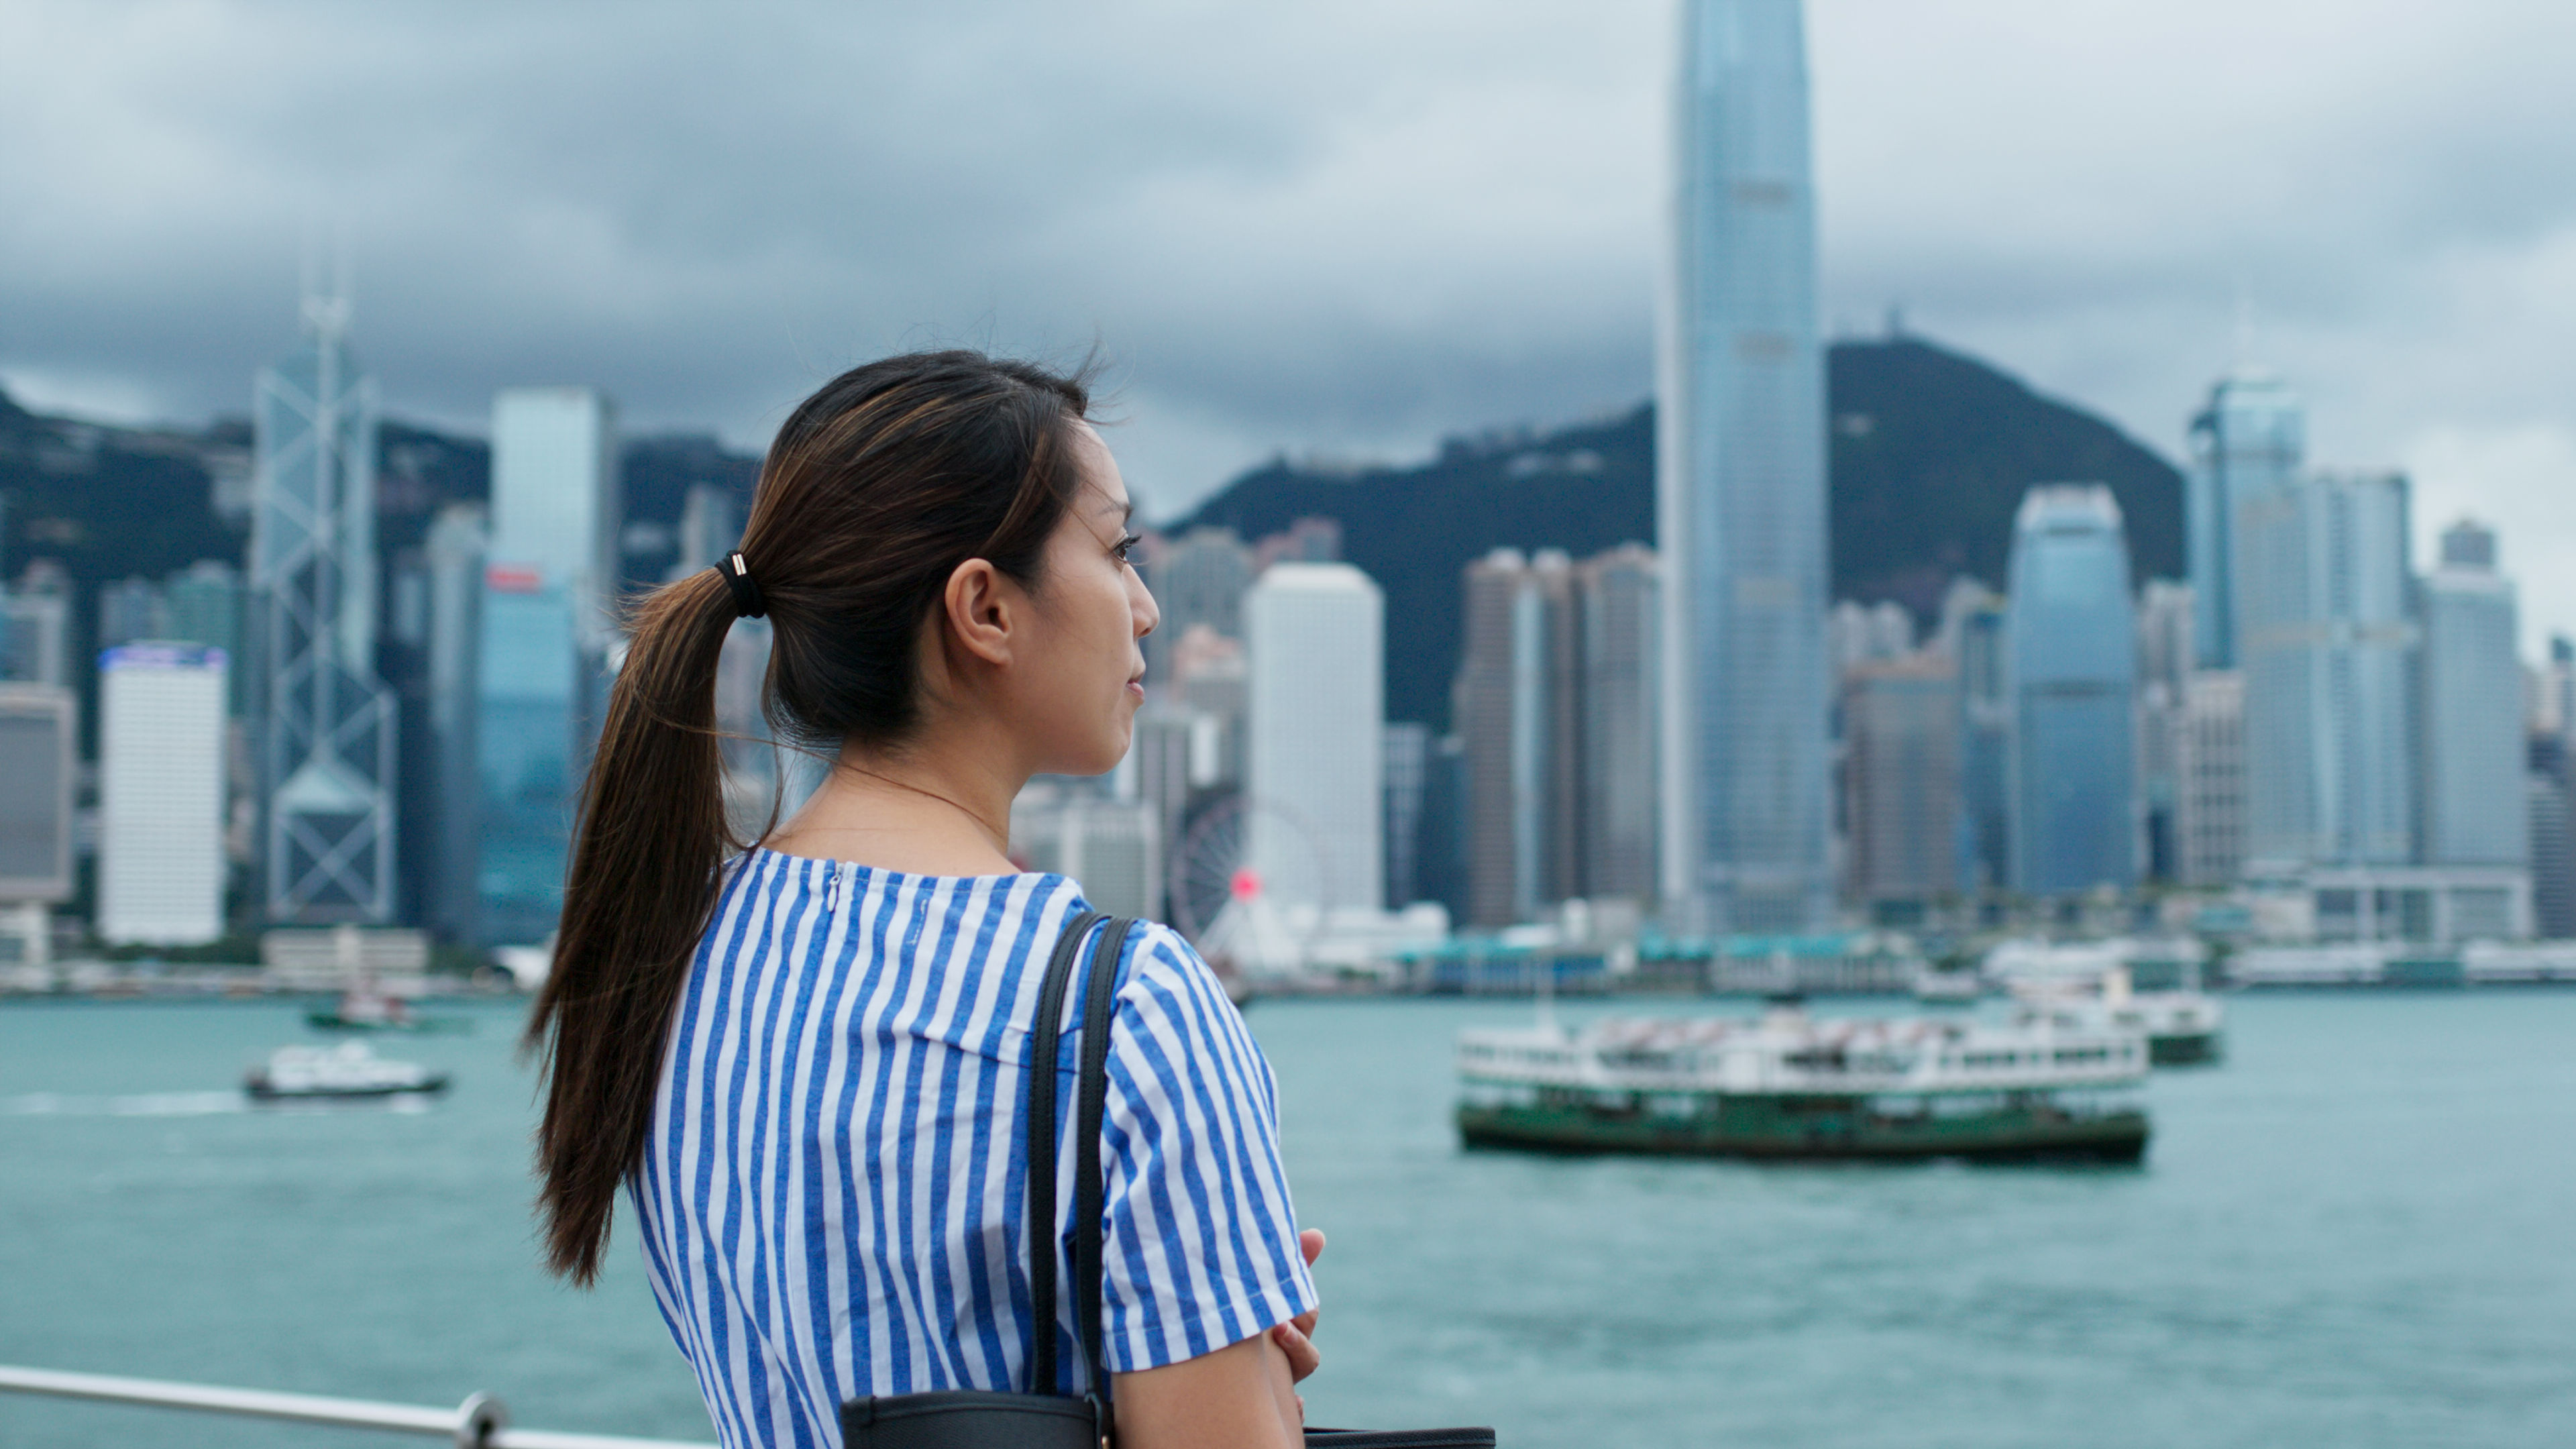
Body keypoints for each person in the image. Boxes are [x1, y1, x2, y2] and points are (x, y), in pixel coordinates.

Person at [526, 352, 1323, 1448]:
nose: (1143, 608)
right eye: (1118, 551)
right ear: (985, 609)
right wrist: (1259, 1390)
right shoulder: (1130, 1006)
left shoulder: (674, 951)